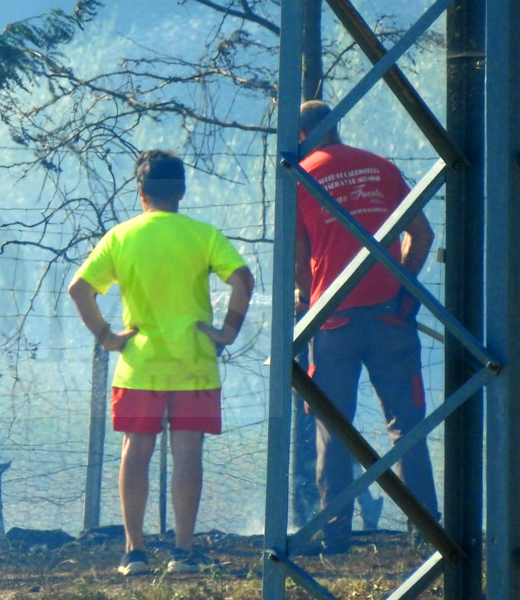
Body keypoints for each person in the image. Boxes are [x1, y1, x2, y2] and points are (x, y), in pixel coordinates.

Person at [68, 149, 254, 575]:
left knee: (136, 451)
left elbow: (79, 289)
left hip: (140, 364)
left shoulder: (120, 237)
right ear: (182, 192)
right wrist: (227, 332)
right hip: (194, 362)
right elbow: (243, 279)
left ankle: (135, 553)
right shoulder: (202, 234)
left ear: (141, 193)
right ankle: (183, 553)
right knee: (188, 453)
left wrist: (107, 337)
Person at [294, 100, 439, 554]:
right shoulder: (381, 167)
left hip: (332, 321)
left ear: (301, 134)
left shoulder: (301, 178)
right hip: (389, 318)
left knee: (333, 427)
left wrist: (308, 296)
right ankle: (425, 531)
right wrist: (402, 291)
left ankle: (336, 534)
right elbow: (424, 234)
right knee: (407, 423)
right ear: (335, 127)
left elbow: (299, 262)